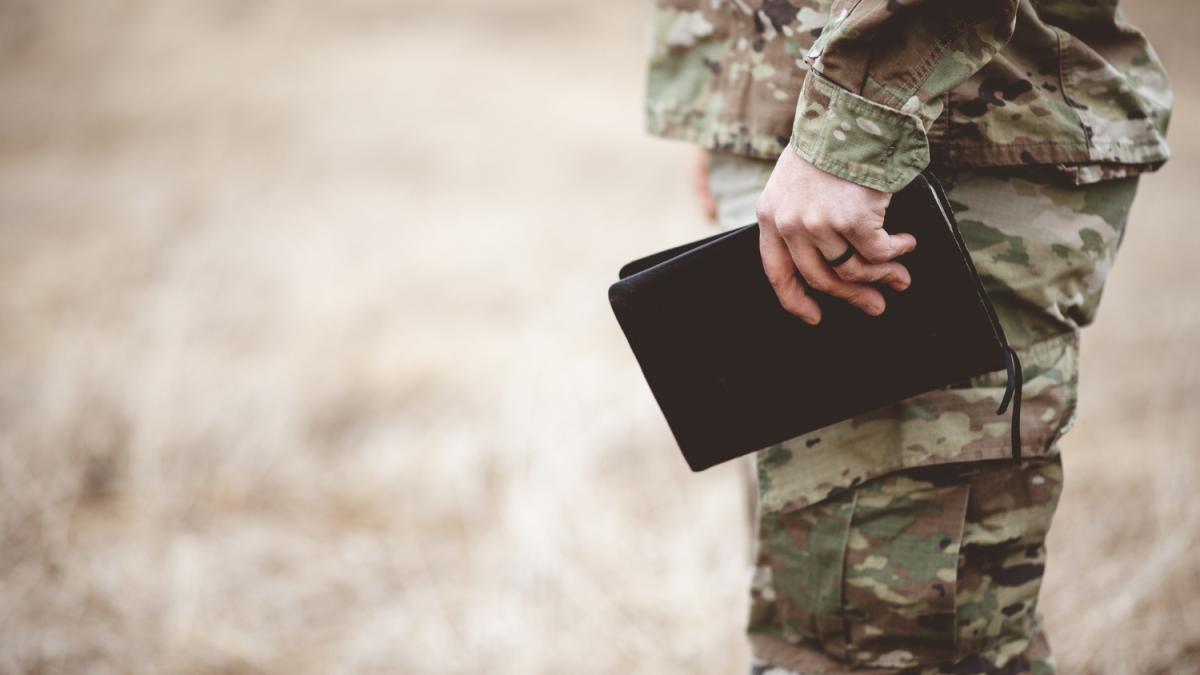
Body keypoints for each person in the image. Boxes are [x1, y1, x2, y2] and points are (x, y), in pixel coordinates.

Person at [644, 1, 1171, 673]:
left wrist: (847, 129)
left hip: (927, 137)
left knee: (890, 648)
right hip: (820, 131)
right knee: (811, 632)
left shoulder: (859, 128)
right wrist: (740, 101)